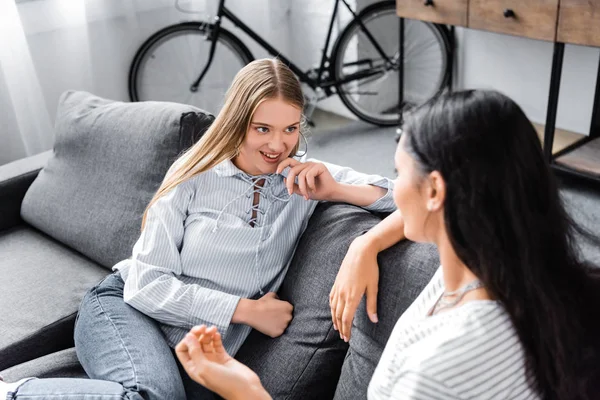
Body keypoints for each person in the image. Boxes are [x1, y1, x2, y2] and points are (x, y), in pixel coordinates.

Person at [0, 58, 399, 400]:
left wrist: (340, 196)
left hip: (198, 352)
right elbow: (145, 285)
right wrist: (246, 311)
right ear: (237, 121)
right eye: (262, 128)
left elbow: (410, 196)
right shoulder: (195, 173)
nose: (279, 145)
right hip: (125, 309)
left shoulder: (303, 181)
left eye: (290, 129)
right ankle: (15, 391)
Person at [173, 90, 600, 400]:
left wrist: (244, 390)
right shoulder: (499, 274)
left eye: (398, 172)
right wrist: (366, 241)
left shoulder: (437, 370)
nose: (395, 190)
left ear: (435, 191)